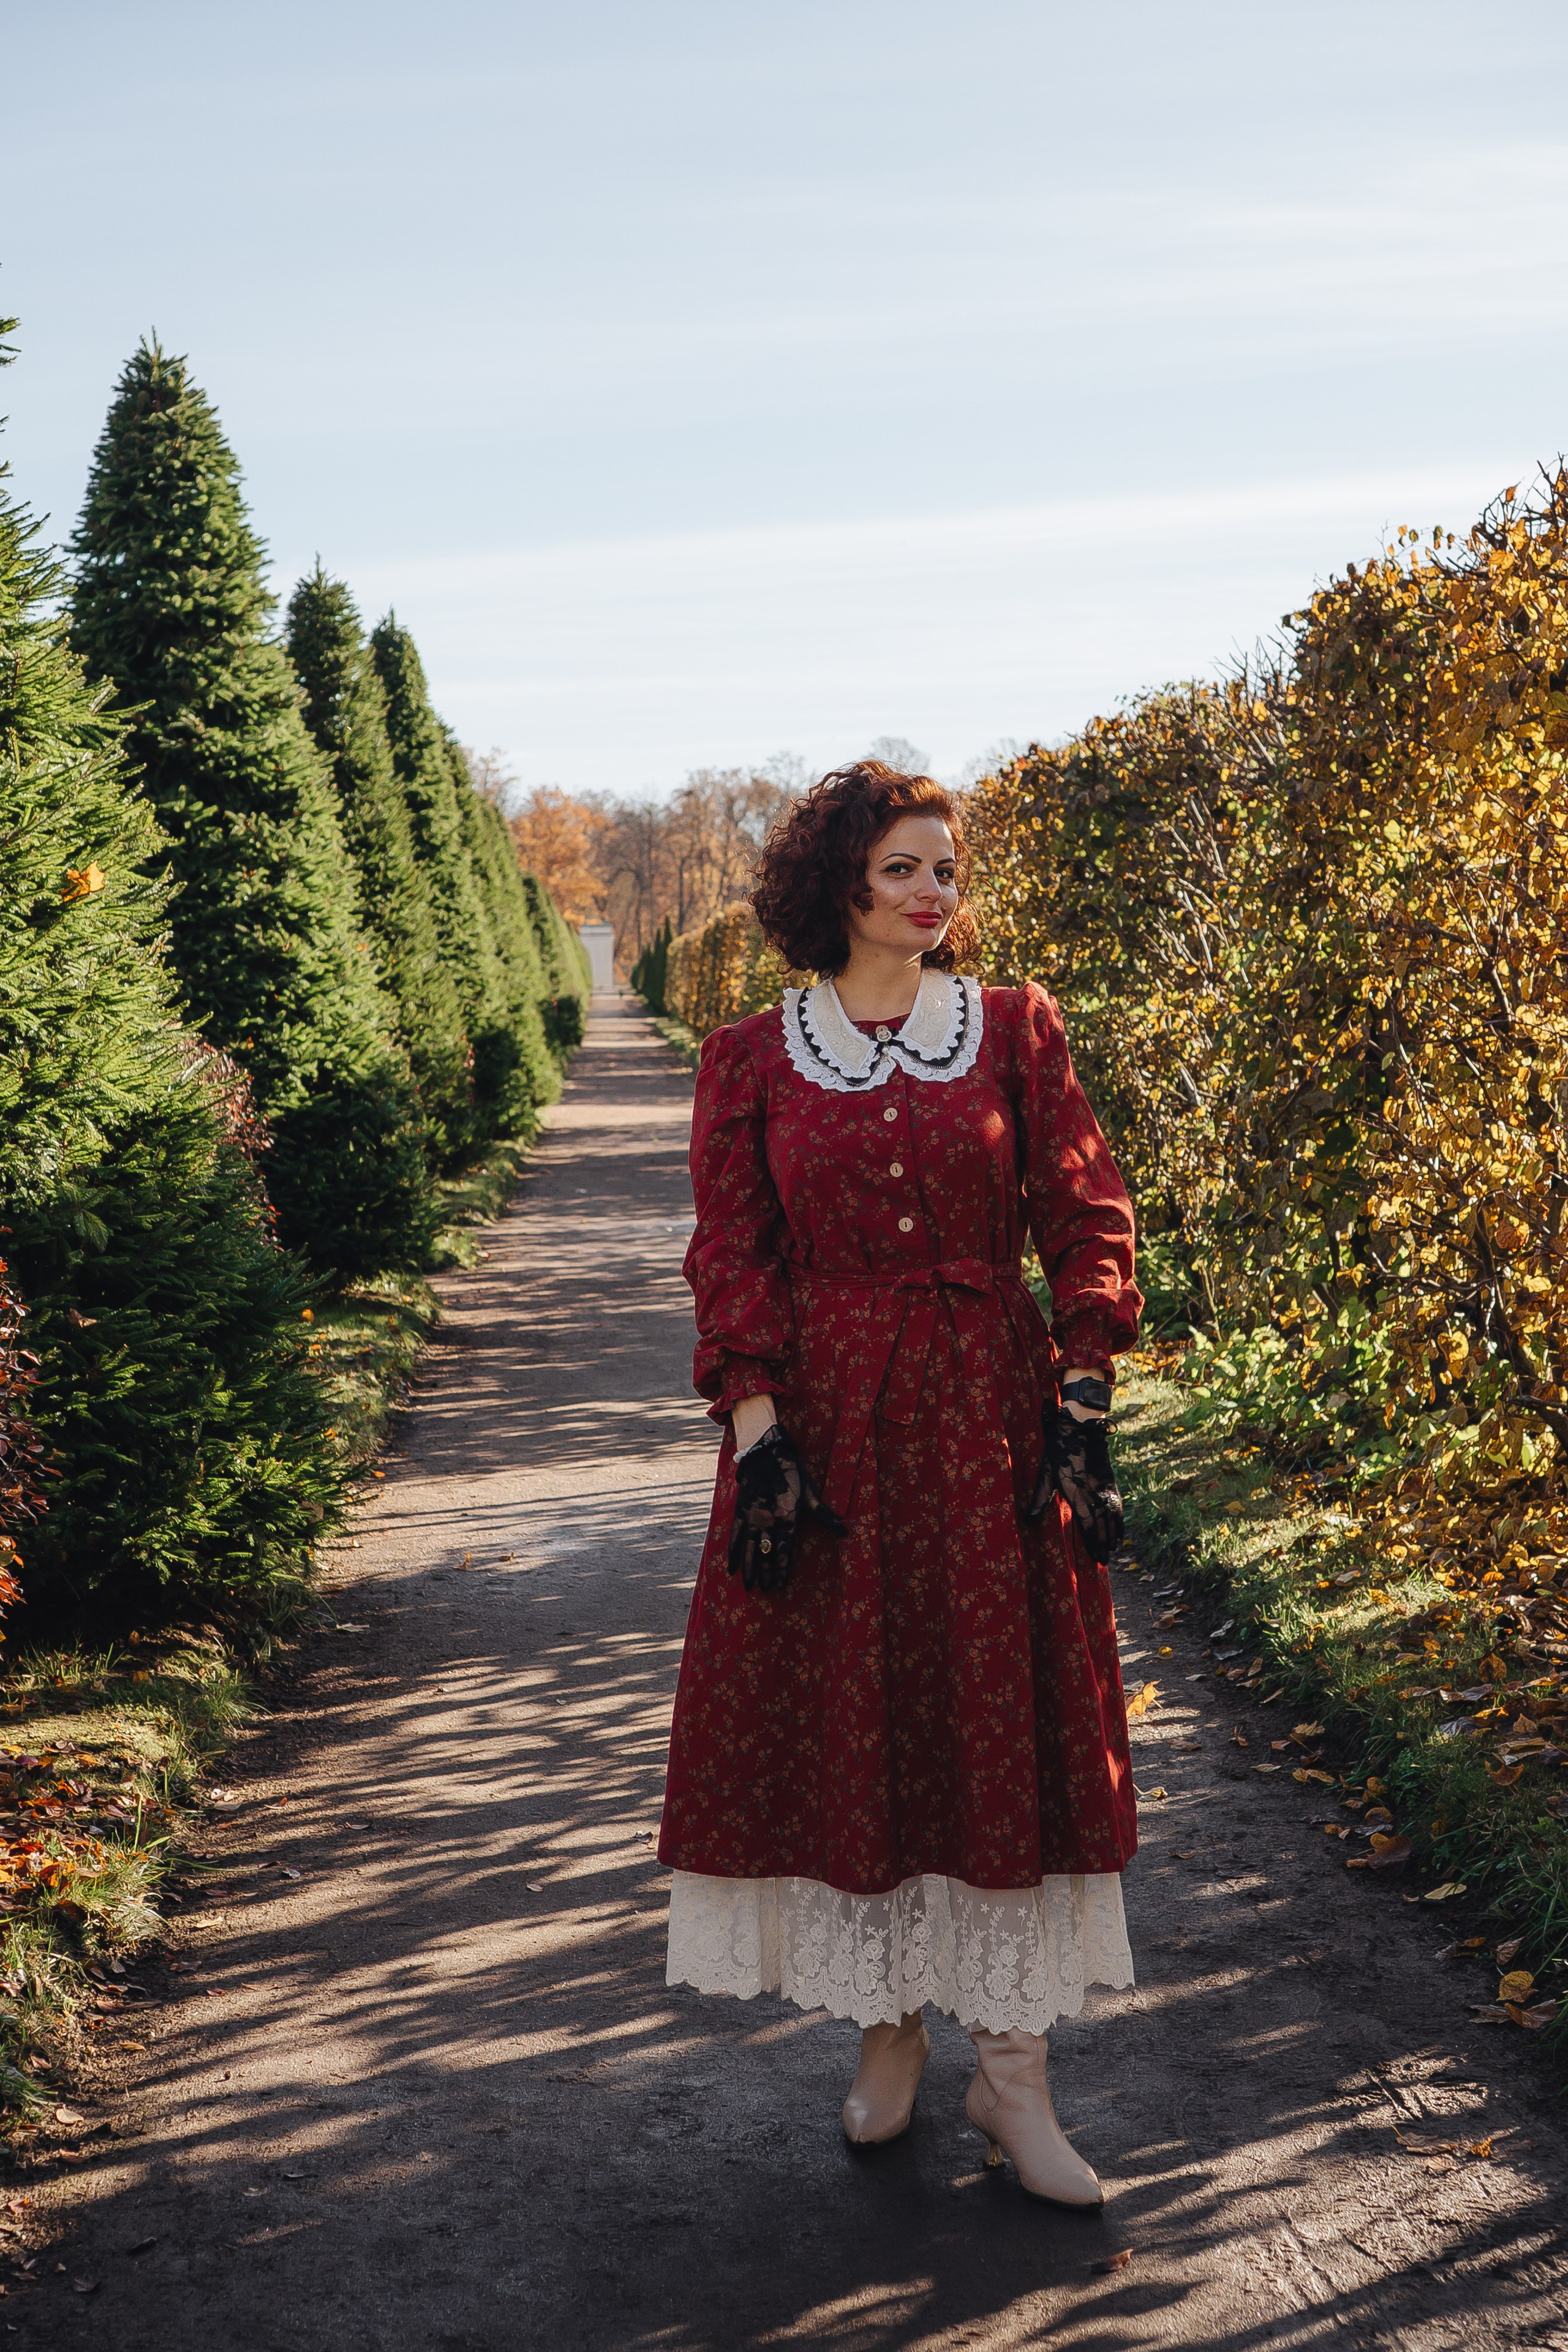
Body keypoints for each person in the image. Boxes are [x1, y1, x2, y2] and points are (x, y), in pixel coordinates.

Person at [657, 760, 1142, 2206]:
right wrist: (757, 1434)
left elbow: (1081, 1201)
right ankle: (887, 2031)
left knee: (995, 1715)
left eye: (945, 870)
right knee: (859, 1719)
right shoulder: (752, 1055)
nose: (933, 894)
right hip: (826, 1428)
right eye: (902, 871)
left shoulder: (1007, 1028)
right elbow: (730, 1254)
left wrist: (1081, 1388)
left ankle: (1014, 2080)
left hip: (986, 1416)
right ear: (839, 889)